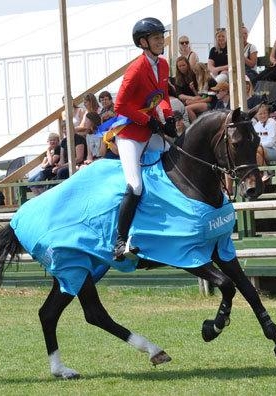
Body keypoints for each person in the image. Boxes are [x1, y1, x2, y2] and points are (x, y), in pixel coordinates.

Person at [107, 17, 178, 261]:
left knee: (176, 155)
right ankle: (119, 242)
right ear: (143, 42)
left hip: (150, 130)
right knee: (135, 185)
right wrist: (146, 120)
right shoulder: (136, 69)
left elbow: (163, 95)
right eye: (157, 38)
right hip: (130, 135)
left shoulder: (164, 65)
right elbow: (120, 105)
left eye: (161, 37)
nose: (162, 41)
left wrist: (167, 117)